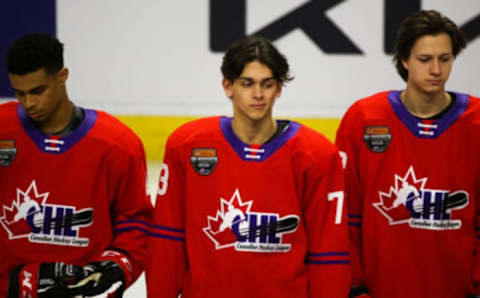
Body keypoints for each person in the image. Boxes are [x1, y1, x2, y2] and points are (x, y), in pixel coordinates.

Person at [146, 36, 351, 297]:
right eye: (247, 84)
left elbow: (328, 253)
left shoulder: (316, 155)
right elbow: (167, 238)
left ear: (278, 89)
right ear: (227, 86)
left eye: (267, 84)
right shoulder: (187, 146)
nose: (258, 94)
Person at [335, 10, 480, 298]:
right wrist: (354, 285)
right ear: (404, 60)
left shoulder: (477, 122)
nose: (437, 70)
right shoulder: (363, 119)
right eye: (425, 60)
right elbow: (343, 214)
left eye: (445, 59)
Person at [0, 33, 153, 297]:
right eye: (19, 93)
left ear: (62, 76)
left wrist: (115, 267)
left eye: (38, 91)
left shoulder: (117, 145)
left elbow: (134, 221)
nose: (29, 103)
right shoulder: (3, 130)